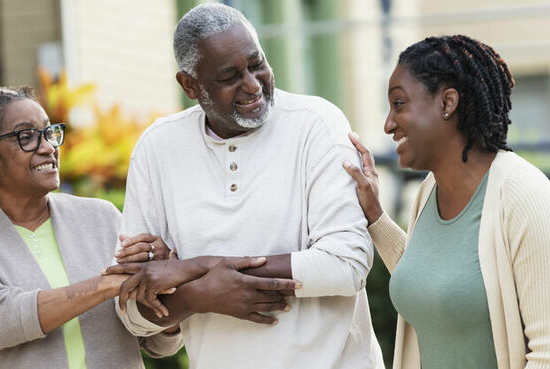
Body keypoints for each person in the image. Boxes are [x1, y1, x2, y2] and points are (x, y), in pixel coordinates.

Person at [104, 3, 384, 369]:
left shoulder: (317, 124)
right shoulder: (158, 148)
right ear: (190, 84)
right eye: (229, 76)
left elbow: (347, 265)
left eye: (257, 64)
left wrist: (192, 271)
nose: (253, 85)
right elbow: (131, 311)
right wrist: (196, 297)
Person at [343, 35, 550, 369]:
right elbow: (432, 280)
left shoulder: (524, 195)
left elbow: (546, 353)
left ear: (447, 103)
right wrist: (375, 216)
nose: (388, 124)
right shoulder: (429, 190)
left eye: (399, 104)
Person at [0, 86, 175, 369]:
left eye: (49, 133)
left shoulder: (101, 218)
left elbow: (154, 341)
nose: (48, 147)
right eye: (27, 137)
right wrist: (106, 285)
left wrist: (164, 286)